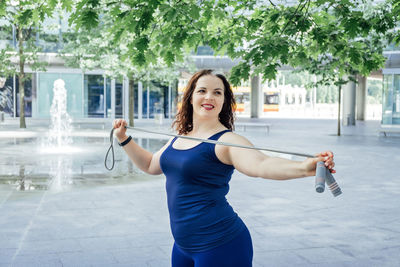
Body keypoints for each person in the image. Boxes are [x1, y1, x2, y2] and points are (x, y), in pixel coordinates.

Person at [113, 69, 335, 267]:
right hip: (182, 246)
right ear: (190, 97)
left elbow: (261, 164)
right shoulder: (180, 138)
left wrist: (304, 168)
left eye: (217, 92)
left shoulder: (227, 140)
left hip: (220, 245)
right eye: (202, 90)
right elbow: (151, 165)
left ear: (224, 101)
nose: (209, 96)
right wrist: (124, 139)